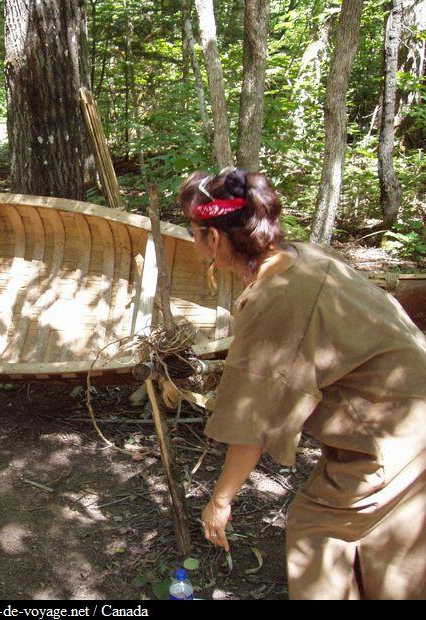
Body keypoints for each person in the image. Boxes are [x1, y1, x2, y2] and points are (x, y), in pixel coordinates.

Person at [178, 167, 426, 599]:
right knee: (398, 534)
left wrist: (220, 500)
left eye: (196, 235)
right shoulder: (307, 256)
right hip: (413, 408)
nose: (199, 249)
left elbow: (253, 422)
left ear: (214, 238)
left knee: (319, 529)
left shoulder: (276, 299)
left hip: (397, 434)